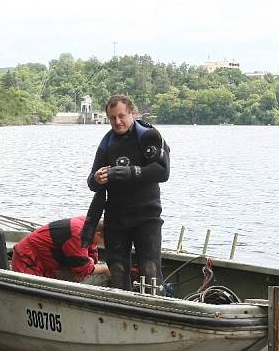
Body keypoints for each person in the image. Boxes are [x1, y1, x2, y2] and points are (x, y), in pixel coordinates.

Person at [86, 94, 170, 291]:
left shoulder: (148, 136)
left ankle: (156, 311)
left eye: (122, 116)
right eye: (112, 118)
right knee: (117, 270)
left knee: (149, 270)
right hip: (116, 219)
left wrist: (130, 172)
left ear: (133, 113)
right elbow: (92, 182)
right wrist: (97, 179)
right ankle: (122, 312)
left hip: (146, 216)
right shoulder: (107, 143)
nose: (117, 122)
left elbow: (163, 171)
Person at [11, 216, 110, 281]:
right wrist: (106, 268)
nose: (103, 245)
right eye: (104, 242)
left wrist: (91, 261)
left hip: (47, 263)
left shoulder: (90, 228)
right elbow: (84, 268)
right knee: (32, 294)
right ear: (98, 234)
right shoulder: (79, 234)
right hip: (28, 260)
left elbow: (91, 254)